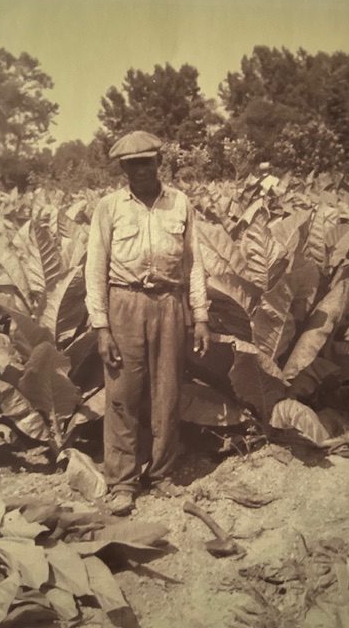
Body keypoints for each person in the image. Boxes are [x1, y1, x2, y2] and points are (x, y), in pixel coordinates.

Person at [85, 130, 210, 515]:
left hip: (170, 304)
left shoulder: (180, 203)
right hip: (124, 302)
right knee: (122, 393)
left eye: (146, 162)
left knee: (167, 391)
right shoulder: (109, 207)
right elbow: (95, 268)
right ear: (123, 168)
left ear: (159, 163)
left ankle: (162, 475)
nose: (139, 170)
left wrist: (200, 316)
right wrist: (101, 326)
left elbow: (194, 265)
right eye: (131, 164)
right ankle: (121, 481)